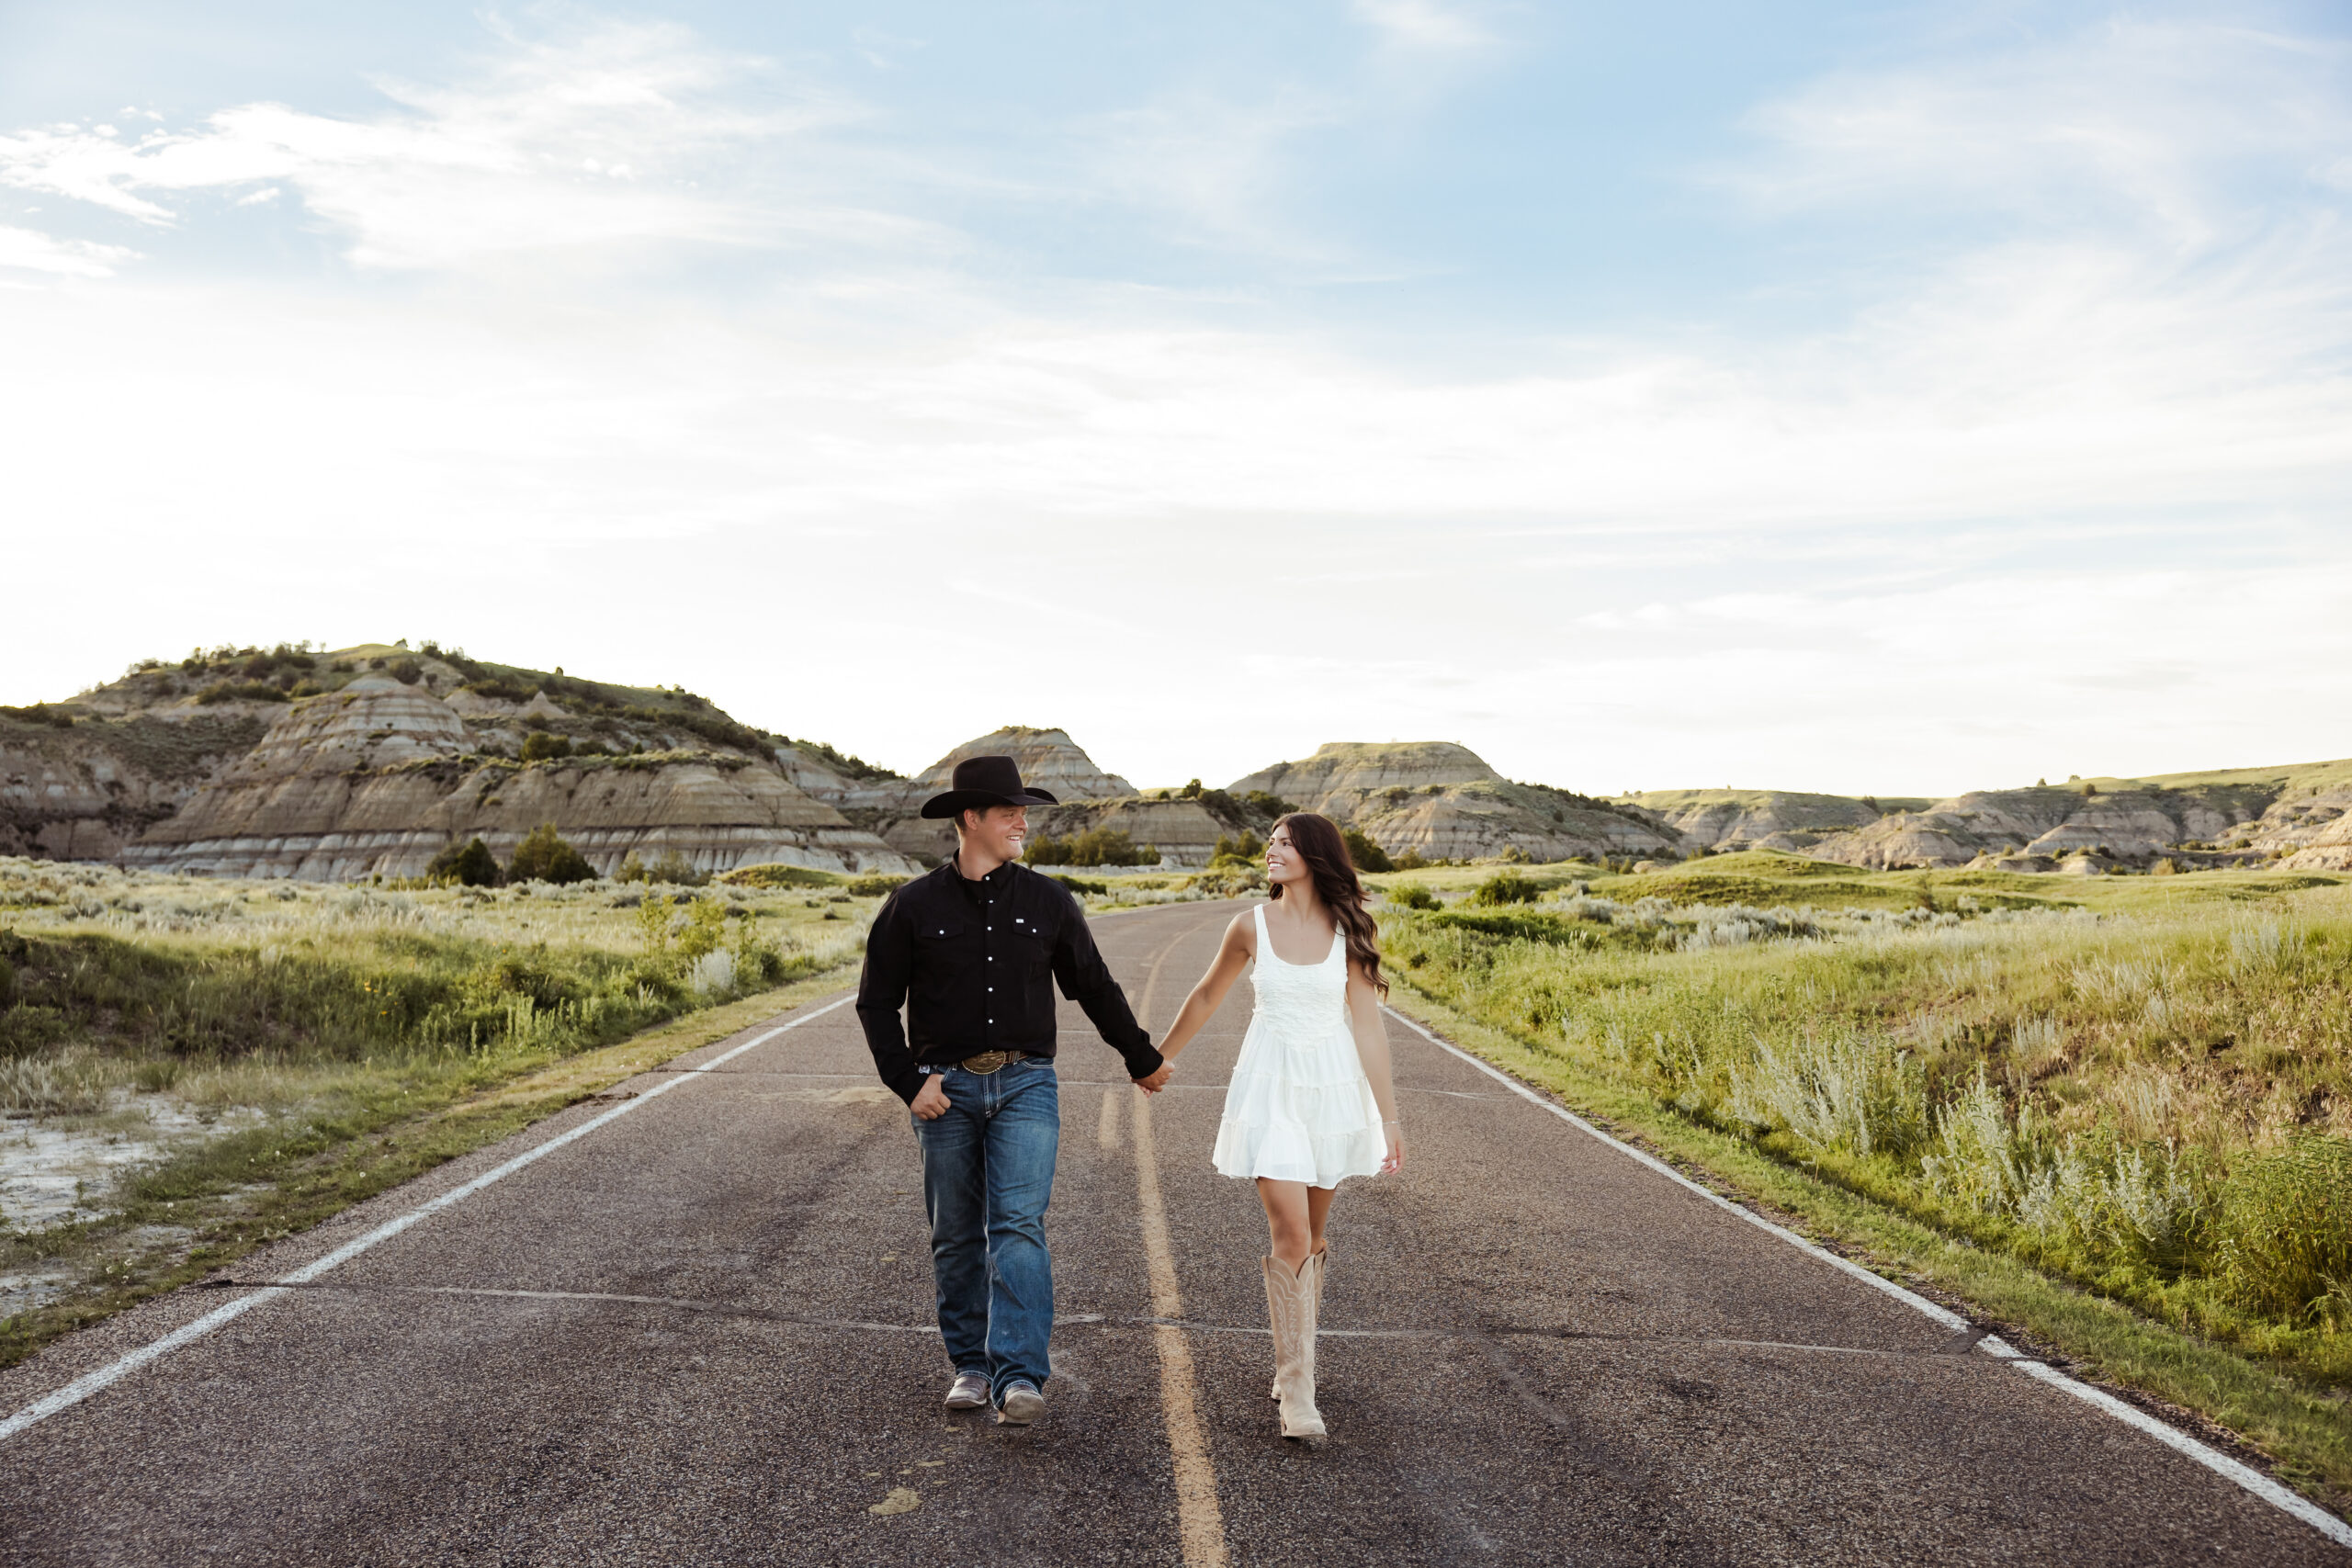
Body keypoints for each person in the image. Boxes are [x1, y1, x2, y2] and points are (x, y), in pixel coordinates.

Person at [857, 755, 1172, 1426]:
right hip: (945, 1091)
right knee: (955, 1234)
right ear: (970, 819)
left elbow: (1093, 984)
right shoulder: (911, 906)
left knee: (1018, 1225)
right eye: (1010, 812)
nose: (1023, 821)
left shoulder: (1048, 901)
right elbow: (876, 1003)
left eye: (1024, 811)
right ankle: (971, 1365)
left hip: (1028, 1083)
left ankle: (1020, 1373)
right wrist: (908, 1083)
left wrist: (1139, 1056)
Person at [1151, 811, 1403, 1439]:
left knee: (1315, 1239)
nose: (1271, 851)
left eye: (1284, 843)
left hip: (1331, 1090)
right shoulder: (1248, 925)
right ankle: (1297, 1390)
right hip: (1269, 1089)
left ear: (1314, 855)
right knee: (1289, 1231)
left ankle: (1296, 1357)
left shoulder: (1348, 928)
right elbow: (1208, 993)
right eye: (1270, 843)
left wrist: (1389, 1116)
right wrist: (1160, 1053)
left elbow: (1368, 1026)